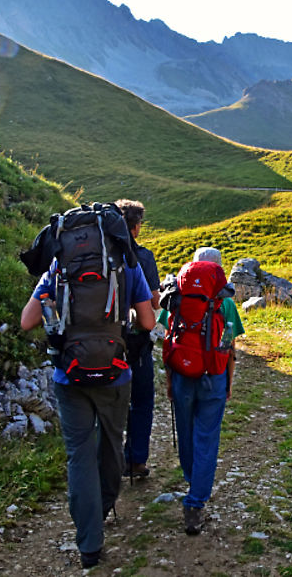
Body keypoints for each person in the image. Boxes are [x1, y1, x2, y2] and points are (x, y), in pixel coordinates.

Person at [19, 227, 155, 570]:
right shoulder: (128, 265)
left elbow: (26, 321)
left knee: (78, 454)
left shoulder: (57, 268)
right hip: (116, 373)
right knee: (111, 445)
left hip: (70, 375)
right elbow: (149, 320)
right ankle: (105, 504)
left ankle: (89, 543)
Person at [168, 246, 244, 535]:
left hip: (182, 374)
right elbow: (230, 347)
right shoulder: (225, 301)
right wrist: (228, 382)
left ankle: (192, 479)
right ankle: (196, 502)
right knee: (207, 437)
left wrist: (169, 382)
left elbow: (171, 337)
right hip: (213, 374)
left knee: (186, 432)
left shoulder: (179, 293)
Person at [115, 199, 162, 480]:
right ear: (136, 227)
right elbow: (154, 301)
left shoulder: (98, 255)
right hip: (136, 341)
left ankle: (107, 460)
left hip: (101, 340)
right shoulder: (142, 257)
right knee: (142, 399)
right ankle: (135, 460)